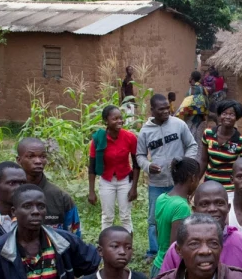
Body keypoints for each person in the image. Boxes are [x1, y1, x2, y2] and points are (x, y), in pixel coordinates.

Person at [135, 94, 199, 261]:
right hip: (157, 182)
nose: (165, 111)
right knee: (154, 218)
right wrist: (148, 166)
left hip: (178, 182)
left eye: (167, 108)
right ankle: (154, 251)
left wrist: (185, 161)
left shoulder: (179, 124)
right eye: (161, 109)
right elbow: (140, 155)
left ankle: (179, 248)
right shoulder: (145, 131)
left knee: (180, 215)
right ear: (152, 110)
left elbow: (192, 145)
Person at [87, 105, 139, 236]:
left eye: (120, 118)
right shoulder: (98, 139)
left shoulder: (129, 137)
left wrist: (134, 187)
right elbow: (92, 166)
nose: (119, 121)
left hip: (125, 180)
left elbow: (136, 163)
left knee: (125, 216)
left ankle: (128, 247)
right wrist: (91, 191)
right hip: (106, 180)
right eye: (114, 118)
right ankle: (106, 248)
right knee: (107, 217)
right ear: (106, 121)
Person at [16, 137, 81, 237]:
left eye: (42, 156)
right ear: (19, 160)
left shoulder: (61, 198)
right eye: (31, 156)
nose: (38, 161)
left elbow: (74, 237)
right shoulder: (11, 194)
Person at [151, 158, 199, 278]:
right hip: (170, 270)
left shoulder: (161, 198)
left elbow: (158, 232)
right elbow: (175, 247)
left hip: (158, 263)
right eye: (198, 178)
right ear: (192, 178)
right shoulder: (181, 206)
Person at [200, 99, 242, 191]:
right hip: (209, 185)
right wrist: (196, 181)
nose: (227, 117)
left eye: (232, 114)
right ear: (220, 115)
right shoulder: (208, 134)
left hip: (229, 189)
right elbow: (203, 161)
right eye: (224, 113)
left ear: (237, 118)